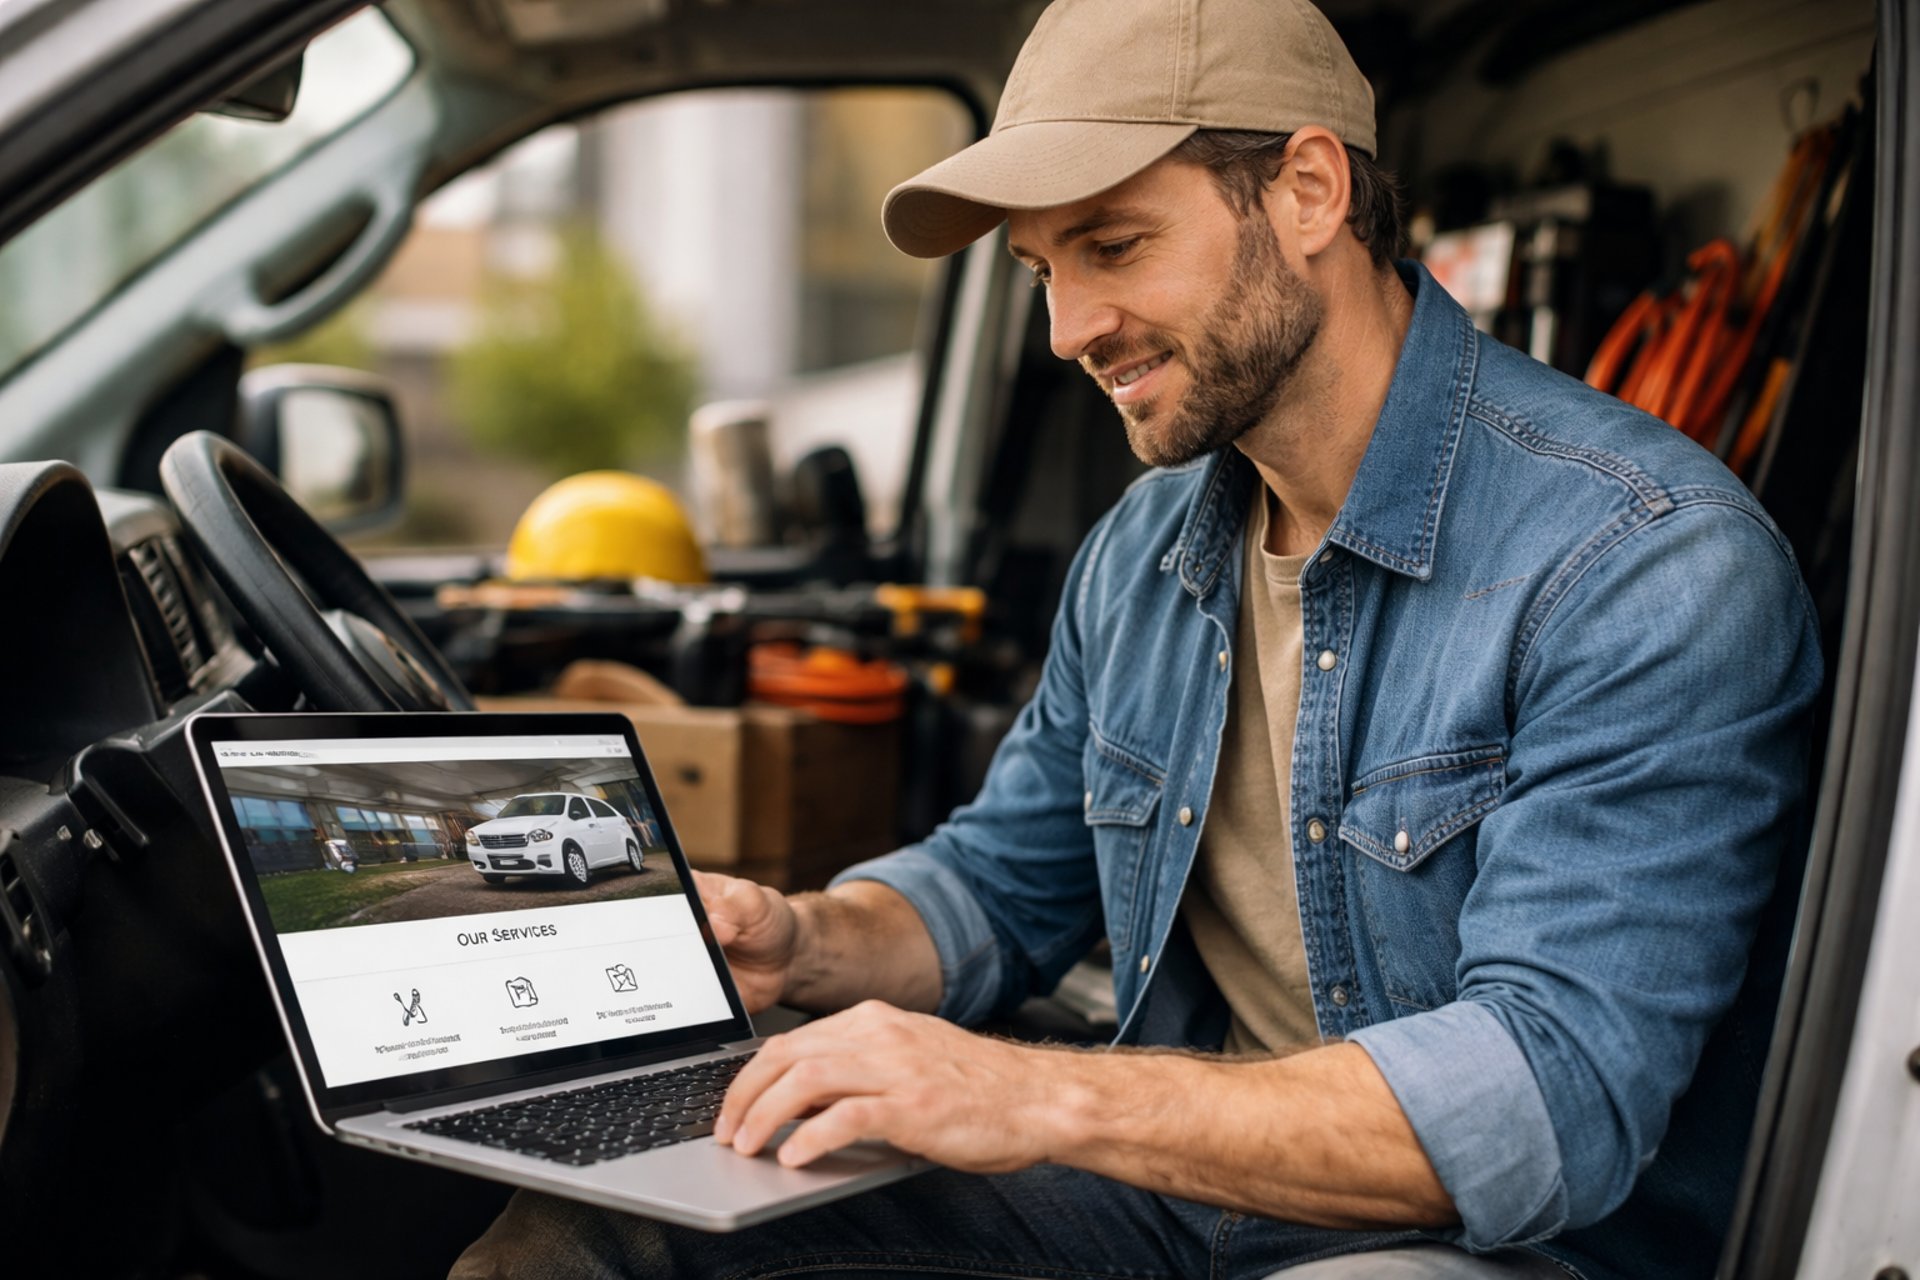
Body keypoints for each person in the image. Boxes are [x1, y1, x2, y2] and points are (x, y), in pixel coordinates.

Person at [453, 0, 1820, 1276]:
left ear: (1306, 193)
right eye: (1044, 268)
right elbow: (1003, 883)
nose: (1066, 328)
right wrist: (804, 940)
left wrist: (1034, 1091)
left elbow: (1548, 1095)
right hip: (1182, 1188)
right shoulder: (1146, 552)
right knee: (609, 1228)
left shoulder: (1639, 561)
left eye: (1113, 246)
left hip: (1491, 1241)